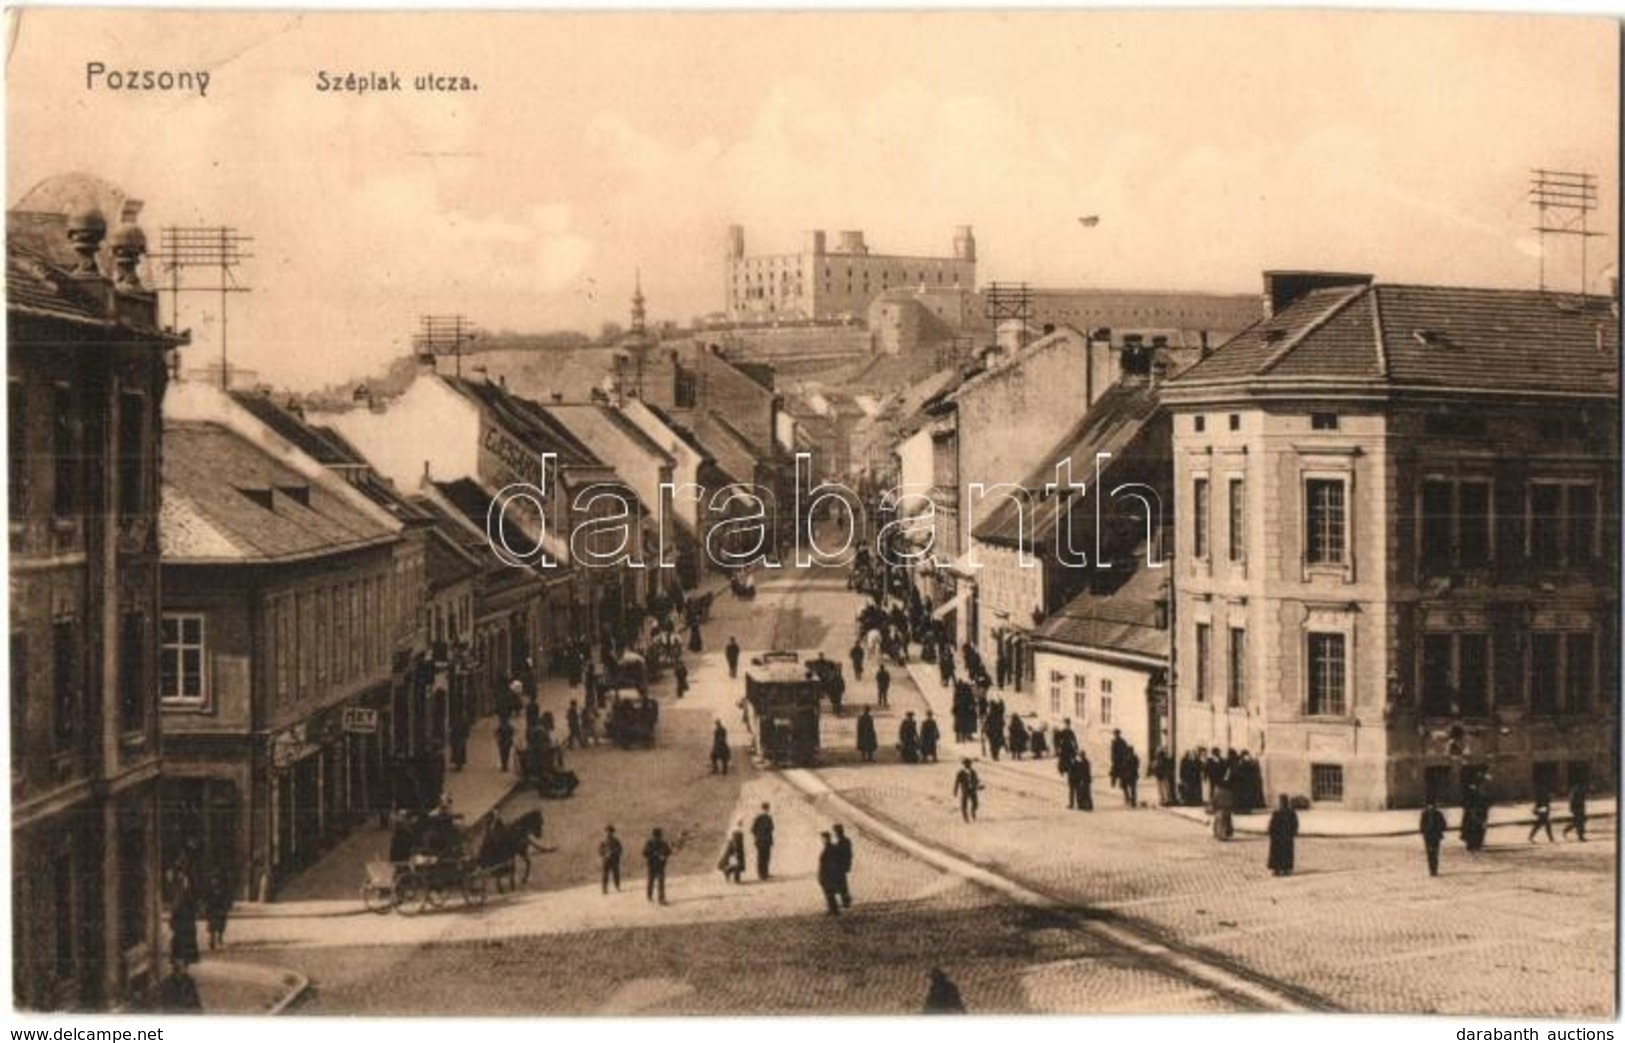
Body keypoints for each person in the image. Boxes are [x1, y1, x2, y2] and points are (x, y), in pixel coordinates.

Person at [170, 881, 200, 969]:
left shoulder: (180, 902)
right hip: (186, 926)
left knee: (181, 943)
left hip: (184, 926)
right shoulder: (185, 901)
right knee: (184, 943)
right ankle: (186, 959)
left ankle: (182, 959)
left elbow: (174, 914)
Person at [1267, 795, 1300, 876]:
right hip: (1283, 837)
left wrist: (1271, 833)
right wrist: (1293, 833)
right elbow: (1295, 824)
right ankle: (1281, 869)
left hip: (1279, 837)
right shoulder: (1288, 812)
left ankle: (1281, 869)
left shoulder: (1279, 812)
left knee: (1281, 853)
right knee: (1283, 853)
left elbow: (1271, 825)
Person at [643, 828, 674, 904]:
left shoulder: (663, 843)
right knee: (651, 881)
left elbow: (669, 852)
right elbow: (644, 853)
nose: (657, 838)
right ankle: (650, 896)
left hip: (660, 866)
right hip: (652, 865)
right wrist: (656, 854)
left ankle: (660, 898)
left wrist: (664, 855)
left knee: (660, 882)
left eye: (658, 836)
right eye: (656, 836)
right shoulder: (649, 843)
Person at [817, 832, 843, 915]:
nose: (822, 840)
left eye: (823, 838)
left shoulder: (828, 849)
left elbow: (827, 863)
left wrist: (822, 875)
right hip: (830, 874)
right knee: (829, 893)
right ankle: (832, 909)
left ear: (826, 839)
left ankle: (834, 910)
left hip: (828, 874)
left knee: (829, 892)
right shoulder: (832, 848)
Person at [1420, 800, 1448, 877]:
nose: (1431, 807)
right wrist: (1425, 832)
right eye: (1429, 805)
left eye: (1432, 806)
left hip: (1436, 837)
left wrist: (1439, 829)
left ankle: (1435, 870)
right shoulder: (1424, 814)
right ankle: (1431, 870)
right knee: (1429, 853)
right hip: (1428, 837)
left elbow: (1444, 825)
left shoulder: (1438, 814)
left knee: (1435, 853)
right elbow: (1422, 826)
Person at [204, 873, 231, 951]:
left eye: (216, 879)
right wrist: (206, 909)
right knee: (211, 927)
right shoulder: (209, 890)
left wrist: (225, 908)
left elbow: (226, 900)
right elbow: (206, 899)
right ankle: (211, 941)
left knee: (220, 926)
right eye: (213, 879)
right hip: (212, 910)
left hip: (220, 910)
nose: (214, 881)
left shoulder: (223, 889)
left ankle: (219, 938)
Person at [832, 824, 854, 908]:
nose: (835, 834)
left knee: (842, 884)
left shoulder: (843, 841)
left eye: (835, 832)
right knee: (842, 883)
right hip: (842, 865)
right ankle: (846, 900)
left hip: (841, 866)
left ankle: (846, 901)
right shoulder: (845, 840)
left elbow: (845, 854)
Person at [751, 803, 775, 880]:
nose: (766, 810)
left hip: (764, 841)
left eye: (767, 809)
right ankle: (762, 875)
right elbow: (753, 829)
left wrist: (758, 836)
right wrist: (760, 836)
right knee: (762, 857)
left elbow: (753, 829)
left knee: (765, 857)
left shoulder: (766, 818)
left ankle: (764, 873)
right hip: (764, 841)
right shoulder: (762, 818)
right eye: (766, 809)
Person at [953, 758, 981, 823]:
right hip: (965, 790)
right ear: (963, 765)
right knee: (964, 804)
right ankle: (965, 817)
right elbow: (957, 782)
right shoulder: (960, 773)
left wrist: (978, 786)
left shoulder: (973, 772)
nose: (968, 765)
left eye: (969, 764)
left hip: (973, 790)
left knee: (975, 803)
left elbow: (976, 780)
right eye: (966, 764)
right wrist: (955, 791)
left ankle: (973, 812)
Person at [599, 825, 623, 893]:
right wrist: (605, 854)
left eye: (610, 831)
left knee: (616, 874)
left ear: (613, 832)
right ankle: (604, 889)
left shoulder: (616, 841)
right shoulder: (603, 841)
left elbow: (620, 849)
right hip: (606, 860)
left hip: (614, 860)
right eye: (607, 831)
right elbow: (600, 850)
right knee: (605, 875)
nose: (608, 833)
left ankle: (617, 886)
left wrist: (615, 853)